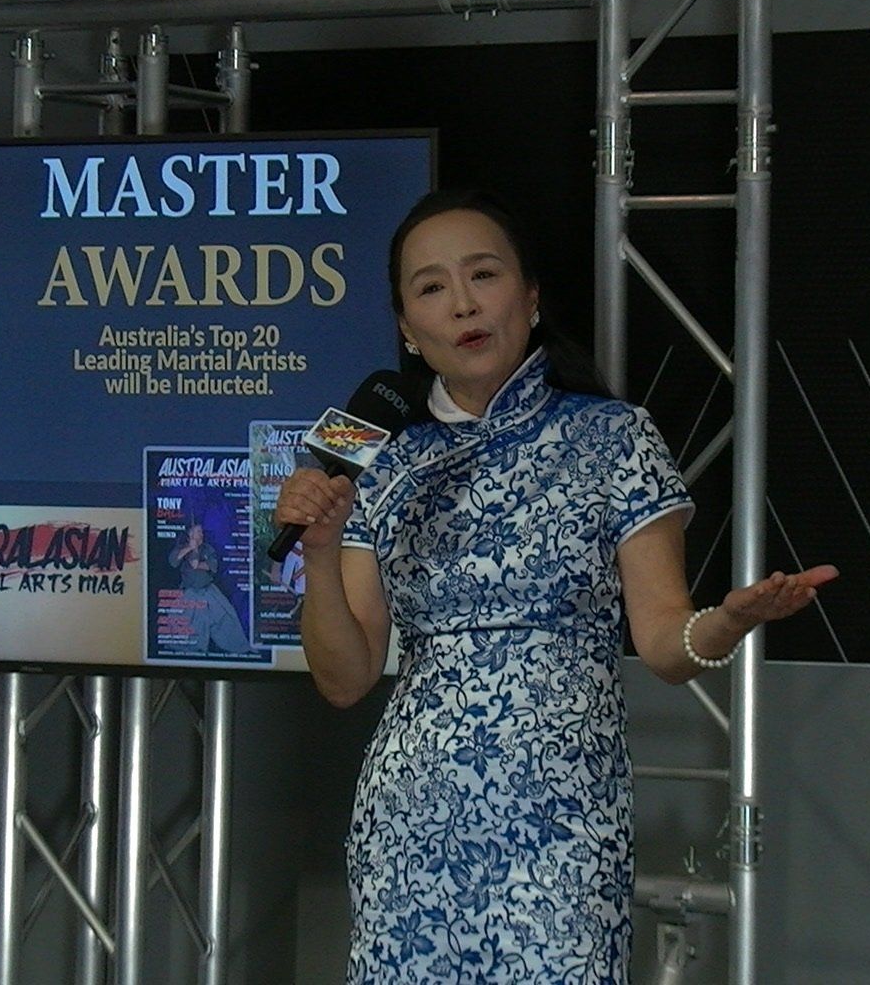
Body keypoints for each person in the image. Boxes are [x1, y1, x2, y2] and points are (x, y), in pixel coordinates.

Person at [274, 190, 838, 982]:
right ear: (406, 327)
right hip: (410, 822)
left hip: (562, 825)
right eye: (432, 287)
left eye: (484, 275)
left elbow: (665, 644)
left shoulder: (613, 437)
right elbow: (344, 679)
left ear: (531, 297)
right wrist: (322, 551)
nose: (463, 304)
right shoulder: (378, 455)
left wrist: (729, 620)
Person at [168, 520, 254, 655]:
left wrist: (196, 550)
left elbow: (205, 566)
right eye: (198, 532)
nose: (201, 535)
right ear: (189, 534)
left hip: (208, 591)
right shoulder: (181, 548)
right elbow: (173, 561)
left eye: (201, 532)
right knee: (185, 623)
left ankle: (241, 648)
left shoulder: (208, 549)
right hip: (189, 592)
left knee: (226, 616)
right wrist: (190, 548)